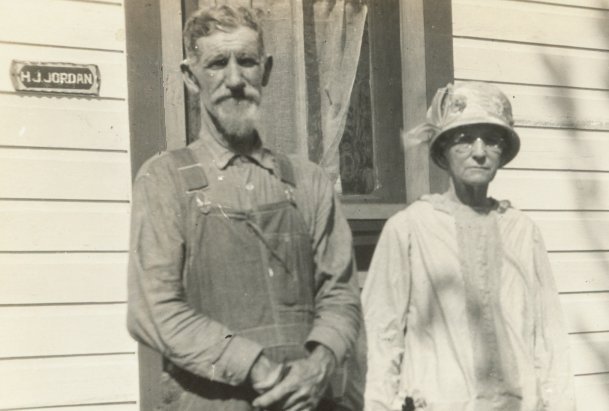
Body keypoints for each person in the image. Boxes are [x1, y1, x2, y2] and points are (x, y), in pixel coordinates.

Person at [127, 5, 361, 411]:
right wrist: (261, 371)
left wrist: (319, 365)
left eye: (247, 61)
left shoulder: (307, 181)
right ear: (190, 76)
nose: (234, 79)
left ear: (265, 71)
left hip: (307, 400)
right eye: (218, 63)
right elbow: (154, 310)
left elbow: (340, 295)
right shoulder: (163, 179)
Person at [362, 81, 575, 411]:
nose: (479, 152)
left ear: (502, 152)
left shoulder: (522, 231)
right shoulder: (410, 229)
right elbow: (380, 335)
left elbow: (550, 339)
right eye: (463, 140)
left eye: (491, 141)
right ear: (444, 151)